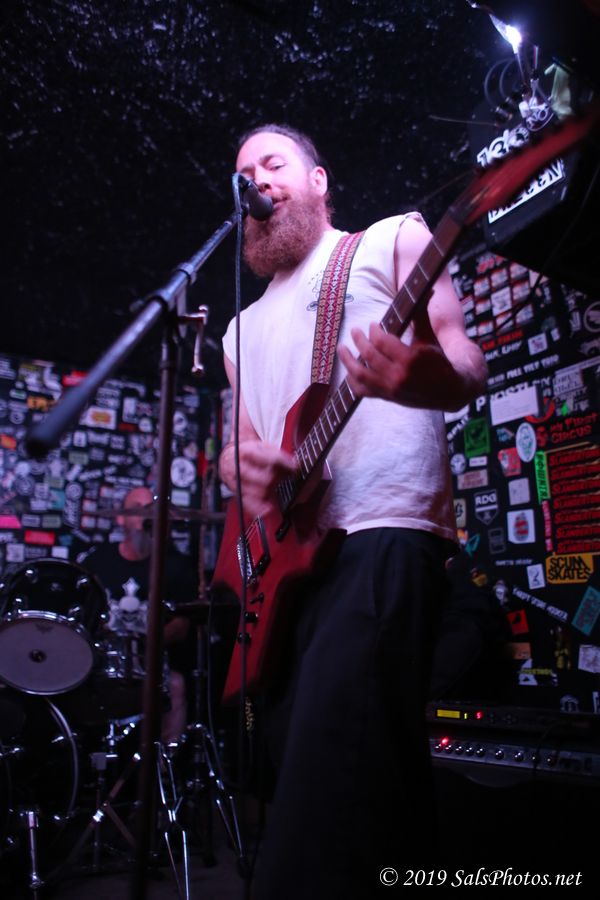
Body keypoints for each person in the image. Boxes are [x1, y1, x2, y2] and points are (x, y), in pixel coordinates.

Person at [218, 124, 488, 899]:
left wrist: (426, 378)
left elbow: (466, 361)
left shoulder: (390, 241)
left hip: (380, 530)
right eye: (243, 173)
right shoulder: (238, 330)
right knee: (360, 786)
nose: (256, 180)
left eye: (273, 163)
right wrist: (247, 470)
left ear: (319, 180)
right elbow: (242, 449)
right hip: (283, 571)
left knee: (329, 787)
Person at [82, 486, 194, 744]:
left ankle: (167, 761)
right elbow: (85, 619)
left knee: (176, 685)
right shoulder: (98, 561)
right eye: (138, 509)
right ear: (121, 518)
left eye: (152, 510)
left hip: (152, 663)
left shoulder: (175, 566)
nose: (147, 515)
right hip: (105, 661)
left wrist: (143, 644)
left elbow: (182, 625)